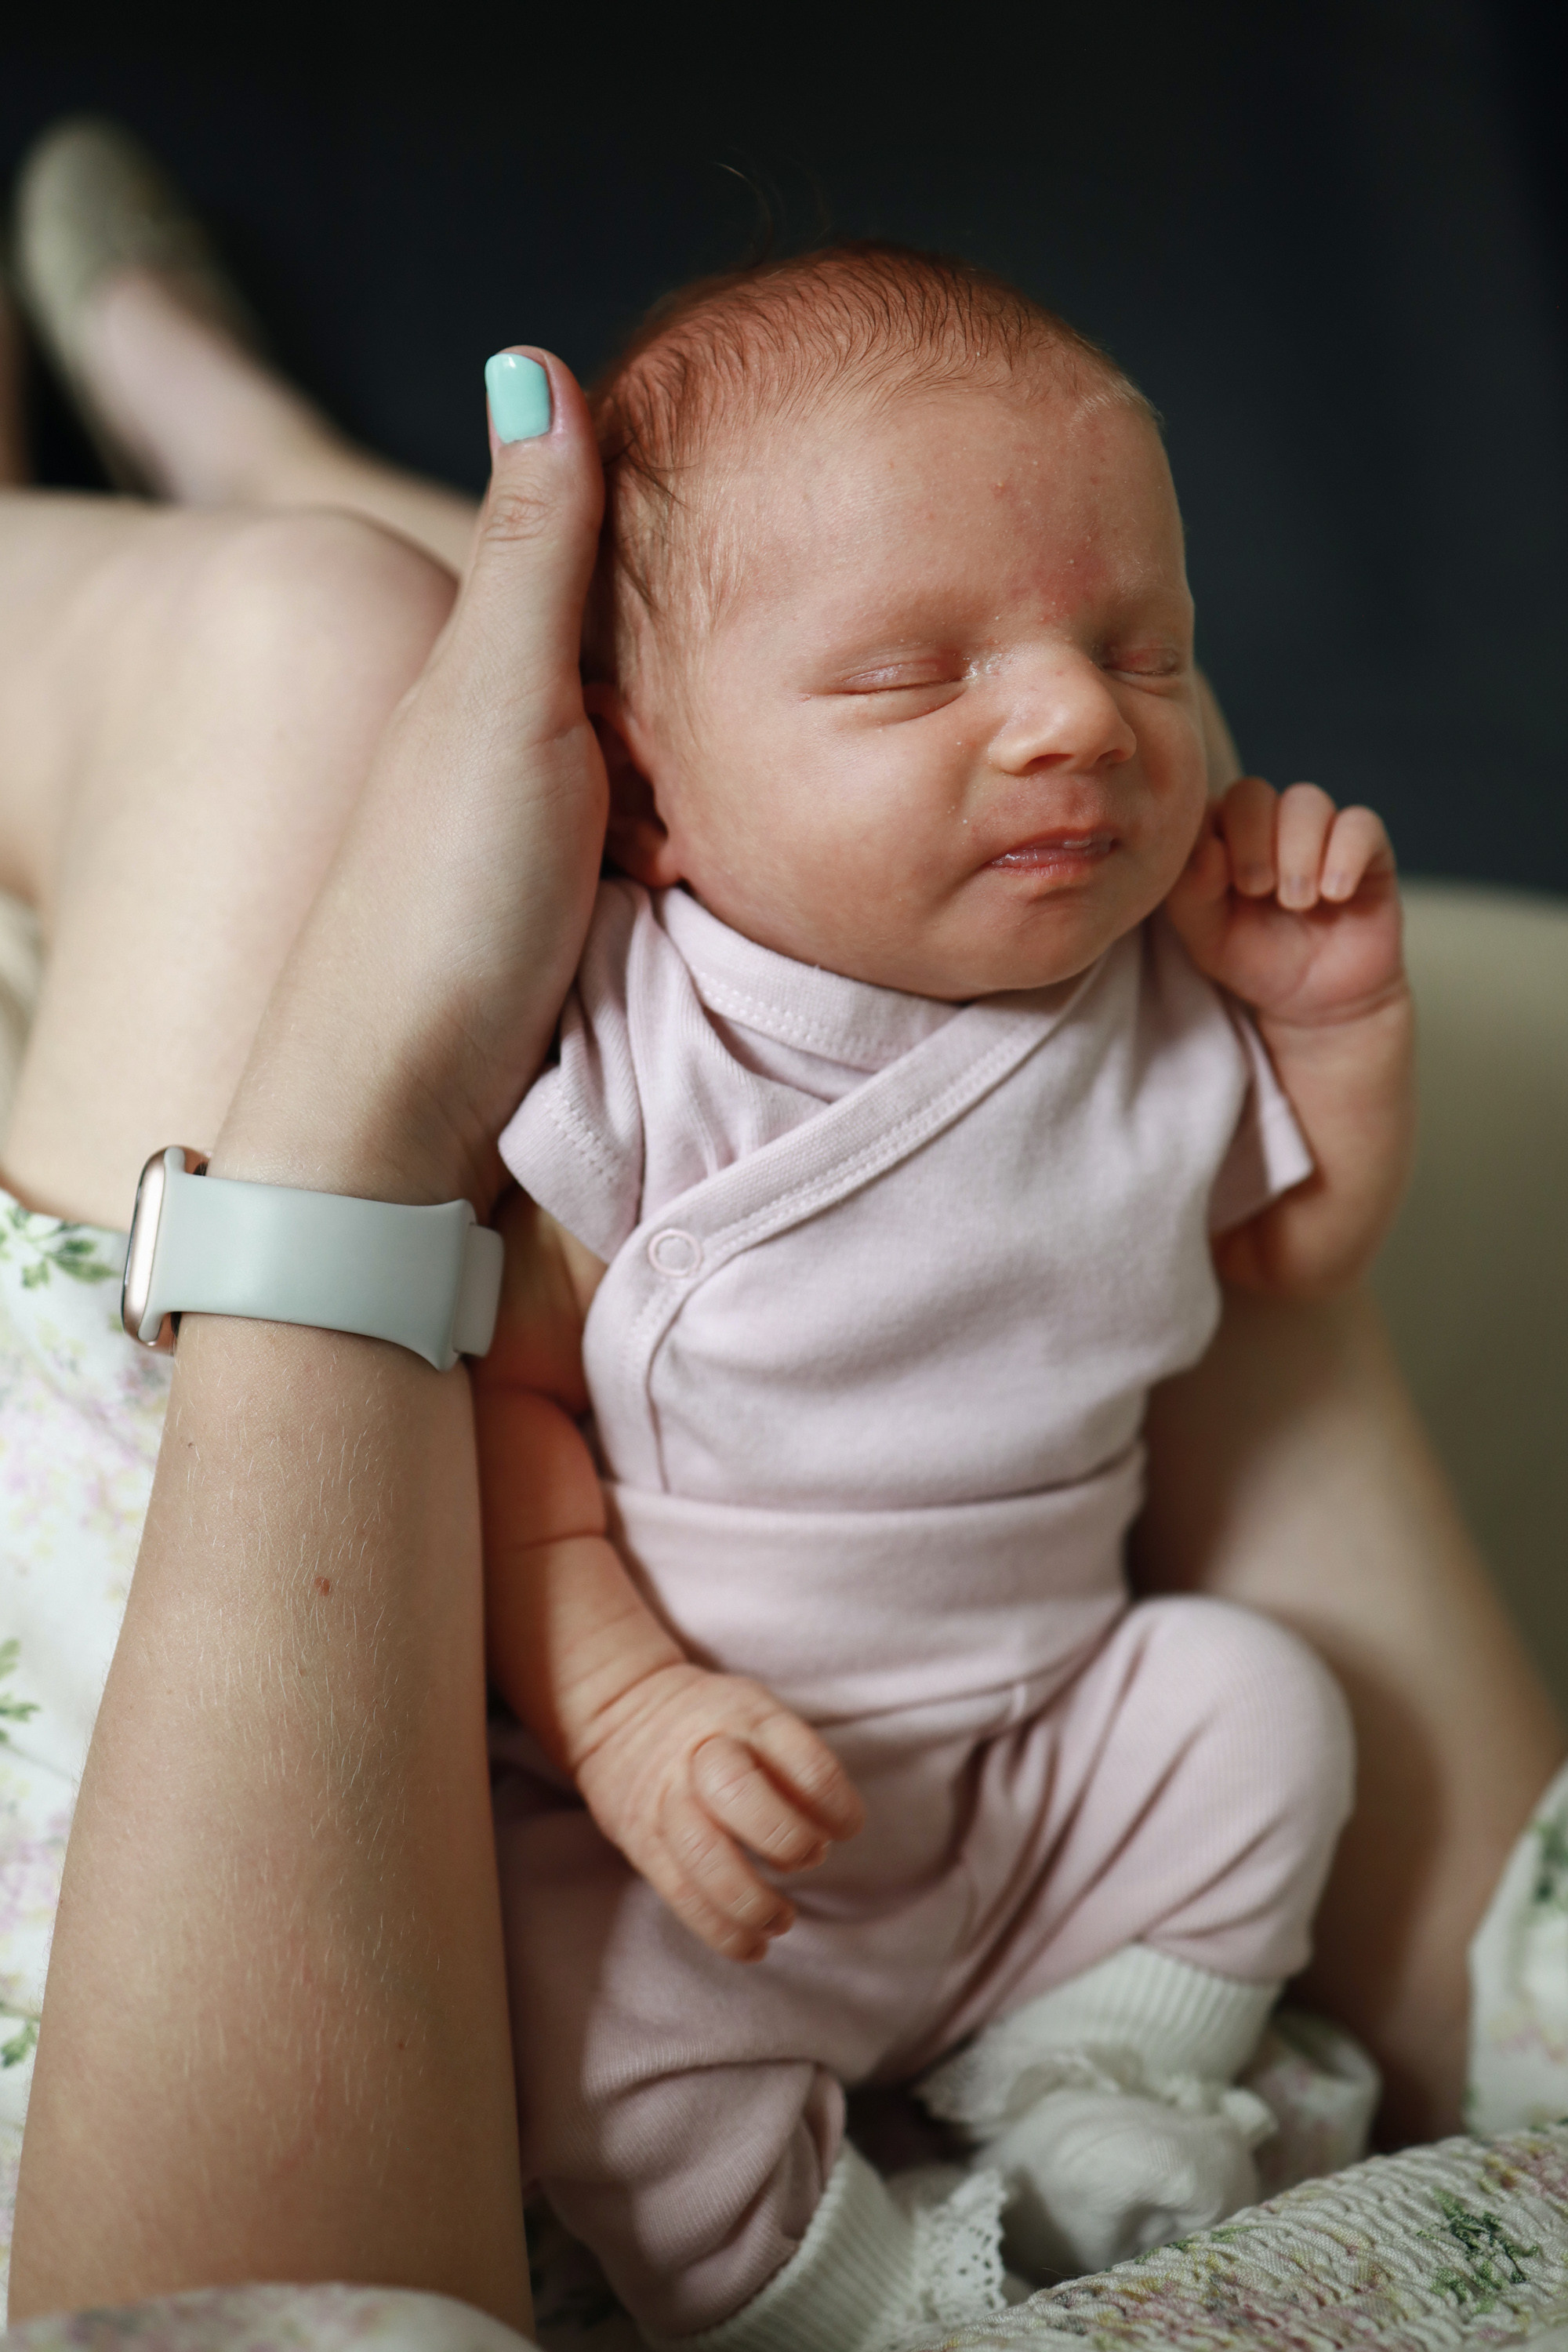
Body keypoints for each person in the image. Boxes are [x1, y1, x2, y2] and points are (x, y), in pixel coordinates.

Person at [0, 114, 1561, 2334]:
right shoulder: (651, 1040)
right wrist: (628, 1709)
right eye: (923, 677)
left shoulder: (1139, 1004)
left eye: (1138, 642)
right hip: (699, 1828)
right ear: (640, 810)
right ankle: (269, 457)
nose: (1070, 716)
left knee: (1243, 1715)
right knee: (589, 1976)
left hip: (1038, 1780)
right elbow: (510, 1408)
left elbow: (1275, 1252)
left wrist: (1326, 1049)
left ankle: (1083, 2087)